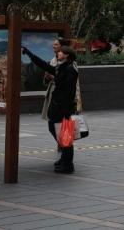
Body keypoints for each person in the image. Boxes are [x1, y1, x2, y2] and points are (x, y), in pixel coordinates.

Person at [23, 44, 79, 174]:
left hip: (63, 108)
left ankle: (68, 164)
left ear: (67, 55)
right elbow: (45, 66)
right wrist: (30, 54)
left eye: (60, 52)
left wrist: (66, 111)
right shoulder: (62, 67)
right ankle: (65, 159)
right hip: (58, 107)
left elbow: (69, 92)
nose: (58, 53)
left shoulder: (70, 69)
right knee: (56, 130)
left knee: (65, 135)